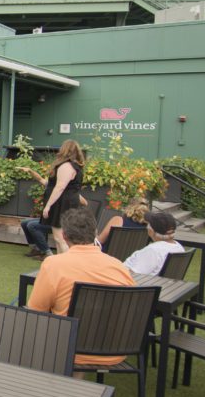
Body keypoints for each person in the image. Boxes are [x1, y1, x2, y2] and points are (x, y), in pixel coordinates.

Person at [26, 207, 135, 367]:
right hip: (116, 349)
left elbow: (36, 311)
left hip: (68, 349)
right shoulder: (119, 266)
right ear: (95, 232)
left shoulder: (54, 264)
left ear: (64, 235)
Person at [40, 140, 85, 254]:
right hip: (66, 202)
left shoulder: (66, 166)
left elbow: (60, 187)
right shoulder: (75, 166)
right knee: (60, 238)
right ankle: (62, 264)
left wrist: (48, 206)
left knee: (60, 238)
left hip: (62, 203)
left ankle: (67, 265)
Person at [124, 211, 184, 276]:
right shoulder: (179, 247)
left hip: (126, 281)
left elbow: (135, 275)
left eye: (148, 224)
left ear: (151, 231)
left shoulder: (153, 250)